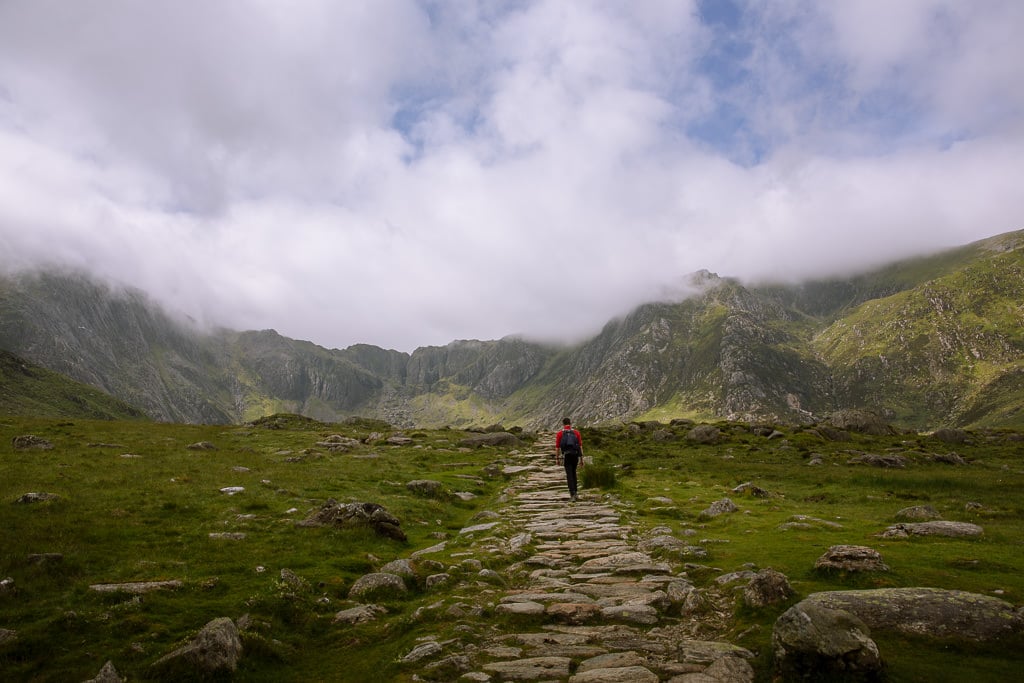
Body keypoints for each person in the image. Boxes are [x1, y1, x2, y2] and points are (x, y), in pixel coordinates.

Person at [554, 417, 584, 501]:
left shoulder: (560, 433)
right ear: (570, 423)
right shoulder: (576, 433)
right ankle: (576, 493)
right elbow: (580, 446)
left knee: (569, 474)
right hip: (575, 455)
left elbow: (557, 447)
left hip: (567, 455)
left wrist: (557, 458)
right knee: (574, 473)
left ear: (563, 424)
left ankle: (572, 494)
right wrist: (581, 459)